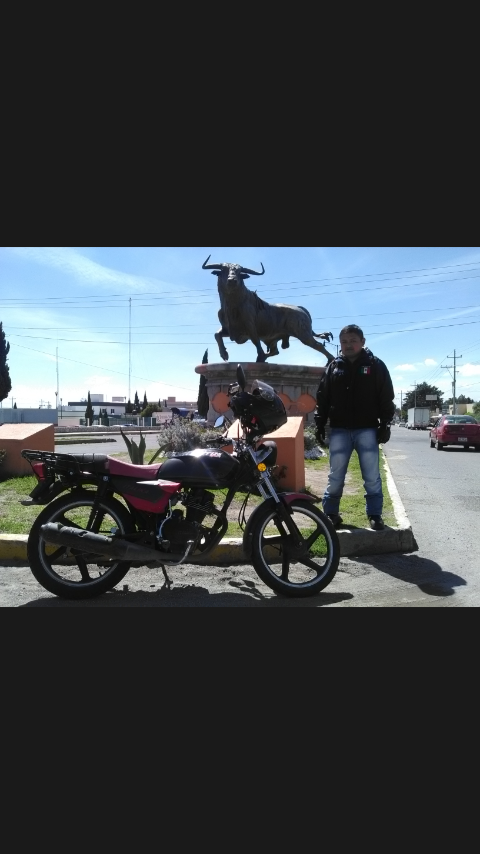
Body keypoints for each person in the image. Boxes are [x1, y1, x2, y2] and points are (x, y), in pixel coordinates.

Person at [314, 324, 395, 531]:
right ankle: (331, 514)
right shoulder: (334, 367)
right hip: (340, 429)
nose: (348, 345)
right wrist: (320, 422)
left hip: (367, 429)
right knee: (336, 474)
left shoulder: (376, 366)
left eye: (353, 341)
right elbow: (323, 396)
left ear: (363, 342)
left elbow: (386, 396)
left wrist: (385, 423)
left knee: (371, 475)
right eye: (344, 342)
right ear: (340, 344)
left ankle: (375, 515)